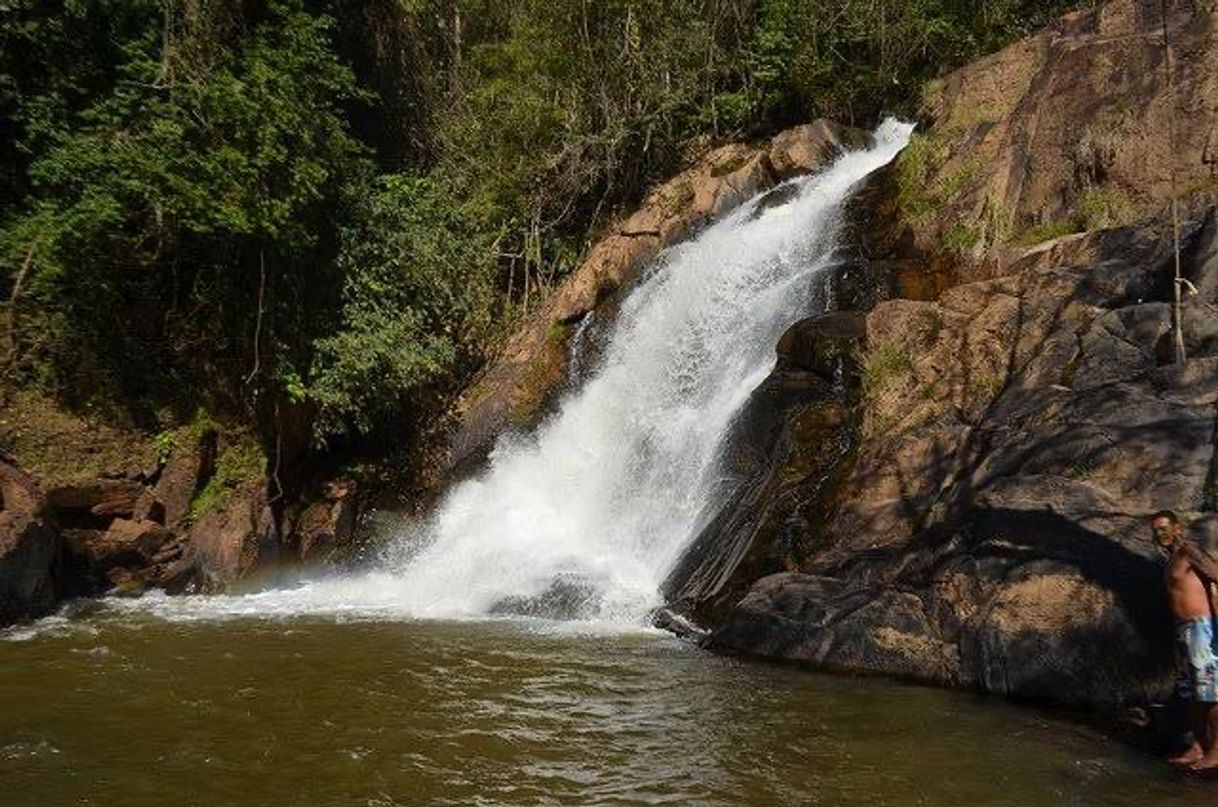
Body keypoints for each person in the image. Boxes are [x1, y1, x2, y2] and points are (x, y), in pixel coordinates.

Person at [1153, 509, 1218, 770]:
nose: (1160, 534)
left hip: (1202, 628)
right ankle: (1198, 746)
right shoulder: (1171, 559)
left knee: (1212, 692)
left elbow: (1215, 575)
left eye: (1165, 528)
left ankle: (1216, 751)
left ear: (1178, 528)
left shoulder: (1190, 551)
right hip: (1183, 632)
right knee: (1191, 694)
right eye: (1156, 530)